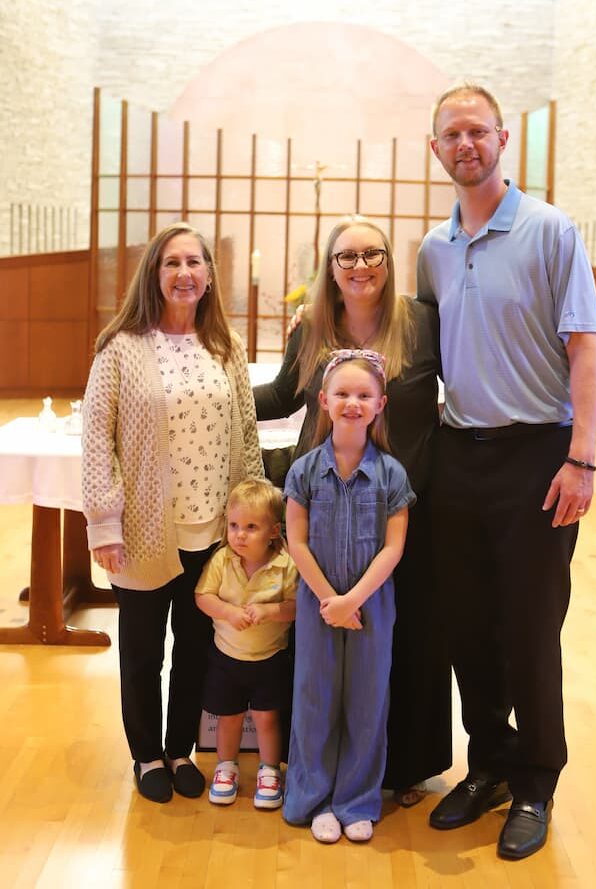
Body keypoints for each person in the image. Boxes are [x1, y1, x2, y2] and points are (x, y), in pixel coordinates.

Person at [419, 83, 596, 859]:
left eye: (477, 132)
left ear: (501, 140)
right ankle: (488, 762)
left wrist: (581, 457)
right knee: (467, 624)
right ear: (436, 151)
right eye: (450, 135)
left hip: (537, 453)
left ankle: (536, 780)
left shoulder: (548, 230)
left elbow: (585, 347)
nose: (465, 144)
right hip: (457, 454)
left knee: (529, 630)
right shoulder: (432, 249)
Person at [254, 216, 451, 806]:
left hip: (406, 507)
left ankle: (406, 767)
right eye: (347, 256)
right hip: (331, 513)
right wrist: (212, 393)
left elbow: (466, 387)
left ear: (390, 261)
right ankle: (324, 767)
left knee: (411, 638)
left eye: (373, 253)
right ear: (330, 268)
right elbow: (282, 393)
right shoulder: (312, 327)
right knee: (328, 651)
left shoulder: (422, 323)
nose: (361, 266)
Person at [82, 222, 263, 804]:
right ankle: (145, 754)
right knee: (141, 650)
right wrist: (104, 524)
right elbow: (97, 440)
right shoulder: (121, 348)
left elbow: (247, 434)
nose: (184, 273)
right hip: (142, 531)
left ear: (209, 276)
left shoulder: (226, 347)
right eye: (172, 263)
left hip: (213, 532)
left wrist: (251, 522)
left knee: (194, 648)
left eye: (195, 263)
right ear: (154, 276)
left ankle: (181, 747)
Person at [283, 350, 415, 843]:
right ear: (323, 401)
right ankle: (314, 798)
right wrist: (329, 601)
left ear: (380, 404)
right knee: (314, 699)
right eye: (342, 394)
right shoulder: (303, 473)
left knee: (366, 701)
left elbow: (393, 547)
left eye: (363, 395)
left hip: (372, 605)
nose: (352, 403)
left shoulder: (391, 475)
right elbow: (296, 541)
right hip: (317, 605)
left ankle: (356, 799)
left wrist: (353, 599)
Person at [194, 477, 297, 809]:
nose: (239, 534)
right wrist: (226, 611)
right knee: (230, 717)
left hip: (270, 659)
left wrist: (270, 611)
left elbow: (298, 608)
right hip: (227, 659)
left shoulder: (286, 566)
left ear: (273, 531)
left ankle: (269, 770)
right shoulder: (223, 560)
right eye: (234, 525)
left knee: (268, 718)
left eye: (251, 526)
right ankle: (227, 765)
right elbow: (202, 596)